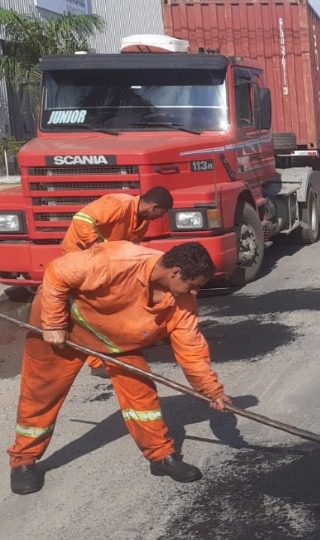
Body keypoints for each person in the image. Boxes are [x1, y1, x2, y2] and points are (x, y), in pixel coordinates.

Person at [8, 241, 232, 495]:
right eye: (192, 286)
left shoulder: (182, 302)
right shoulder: (118, 261)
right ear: (176, 272)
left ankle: (161, 457)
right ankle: (23, 461)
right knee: (40, 396)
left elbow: (192, 351)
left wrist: (211, 391)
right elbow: (58, 271)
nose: (194, 293)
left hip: (115, 341)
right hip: (63, 330)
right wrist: (54, 323)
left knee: (142, 395)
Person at [61, 187, 174, 375]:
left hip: (105, 265)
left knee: (112, 304)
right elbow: (82, 219)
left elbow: (129, 248)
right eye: (160, 214)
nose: (158, 219)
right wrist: (99, 249)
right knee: (92, 307)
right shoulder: (119, 204)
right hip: (81, 258)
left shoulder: (141, 223)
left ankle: (115, 346)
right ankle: (96, 361)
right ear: (154, 207)